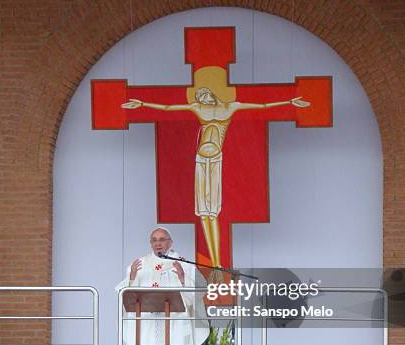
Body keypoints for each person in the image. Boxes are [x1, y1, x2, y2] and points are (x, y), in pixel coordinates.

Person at [122, 90, 310, 278]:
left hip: (215, 160)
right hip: (201, 161)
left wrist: (289, 101)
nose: (202, 99)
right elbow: (168, 108)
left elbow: (262, 105)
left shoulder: (231, 107)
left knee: (212, 213)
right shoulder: (198, 108)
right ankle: (215, 265)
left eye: (204, 96)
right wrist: (142, 104)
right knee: (204, 214)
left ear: (212, 94)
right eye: (199, 98)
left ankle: (218, 264)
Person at [116, 227, 209, 345]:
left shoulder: (185, 265)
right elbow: (125, 297)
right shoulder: (138, 265)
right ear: (151, 243)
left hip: (175, 328)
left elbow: (198, 295)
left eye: (162, 239)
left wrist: (183, 279)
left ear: (170, 242)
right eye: (154, 239)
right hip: (147, 331)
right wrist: (132, 278)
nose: (158, 243)